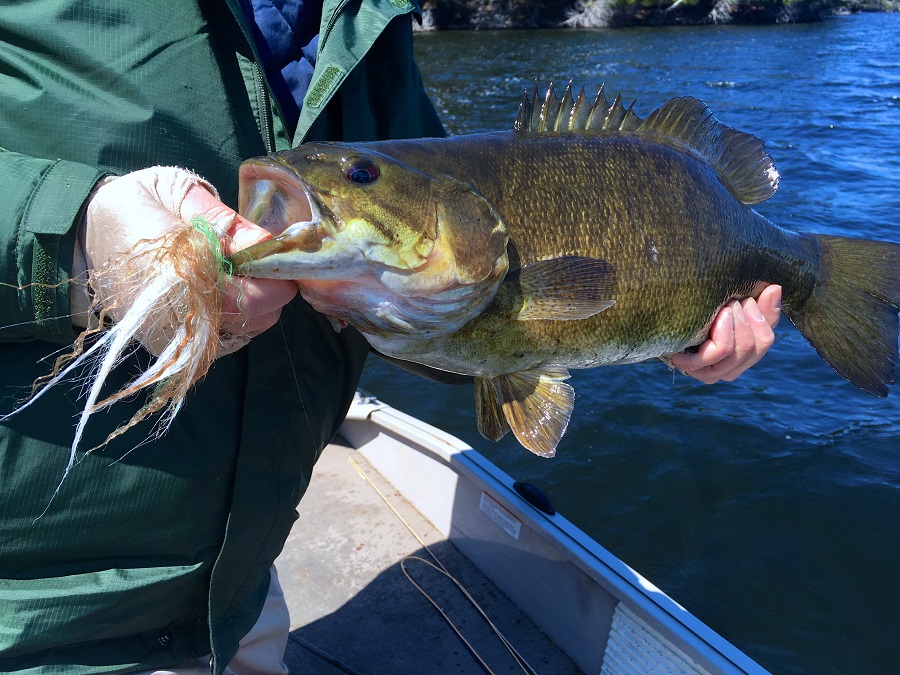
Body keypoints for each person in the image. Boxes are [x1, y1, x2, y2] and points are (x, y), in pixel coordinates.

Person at [0, 1, 782, 672]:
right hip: (39, 613)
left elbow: (449, 292)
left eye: (364, 175)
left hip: (237, 592)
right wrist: (74, 243)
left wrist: (669, 320)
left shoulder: (365, 25)